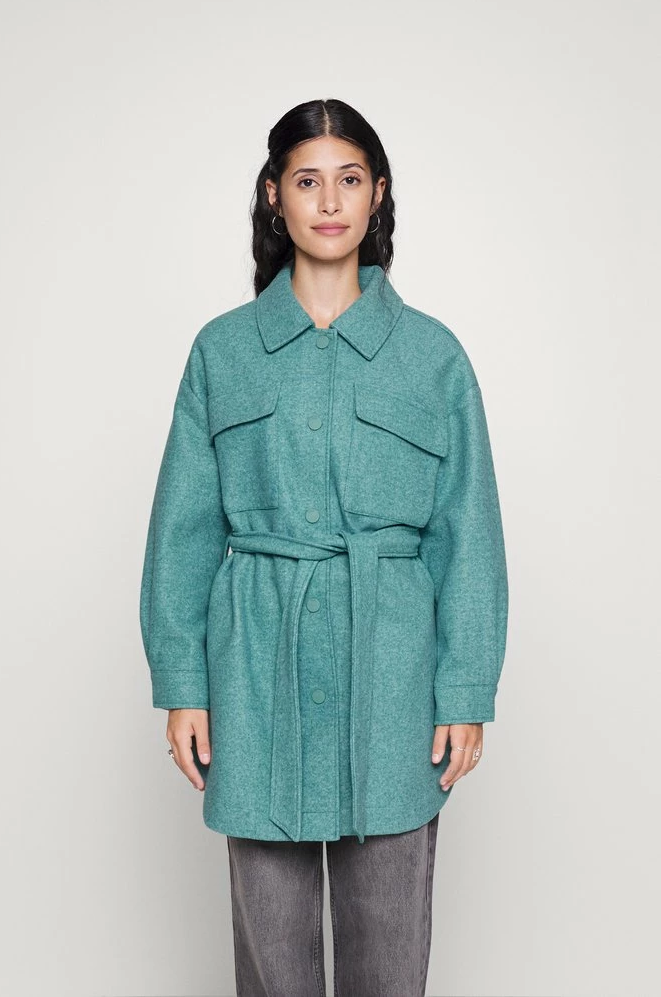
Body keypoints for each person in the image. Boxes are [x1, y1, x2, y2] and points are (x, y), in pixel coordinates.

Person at [139, 97, 509, 997]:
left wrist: (465, 688)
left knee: (390, 942)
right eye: (308, 181)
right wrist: (183, 681)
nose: (330, 201)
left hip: (393, 675)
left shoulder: (433, 358)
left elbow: (469, 533)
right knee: (272, 952)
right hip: (254, 675)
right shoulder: (223, 353)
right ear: (275, 196)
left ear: (378, 193)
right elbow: (183, 527)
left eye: (350, 179)